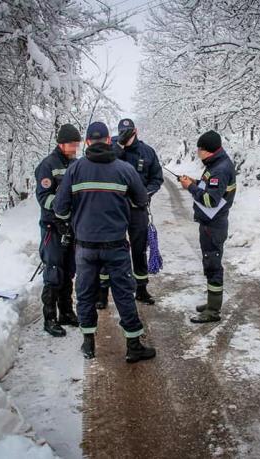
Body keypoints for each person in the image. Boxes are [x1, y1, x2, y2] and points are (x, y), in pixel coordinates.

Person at [54, 121, 156, 362]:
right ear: (110, 140)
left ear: (88, 142)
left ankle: (88, 343)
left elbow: (60, 209)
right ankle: (133, 345)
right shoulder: (125, 169)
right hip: (116, 244)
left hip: (85, 246)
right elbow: (141, 199)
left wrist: (77, 217)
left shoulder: (75, 170)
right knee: (124, 293)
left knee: (85, 293)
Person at [95, 119, 164, 309]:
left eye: (129, 132)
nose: (126, 136)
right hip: (113, 210)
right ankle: (102, 292)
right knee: (107, 248)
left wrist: (144, 194)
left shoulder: (147, 152)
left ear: (136, 131)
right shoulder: (110, 149)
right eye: (122, 132)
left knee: (139, 249)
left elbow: (157, 178)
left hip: (137, 209)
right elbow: (100, 168)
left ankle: (141, 288)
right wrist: (119, 147)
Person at [178, 130, 237, 323]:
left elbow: (211, 200)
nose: (197, 153)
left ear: (208, 150)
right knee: (210, 262)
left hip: (214, 224)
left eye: (199, 149)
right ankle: (212, 303)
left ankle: (213, 311)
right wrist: (194, 182)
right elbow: (210, 187)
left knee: (213, 265)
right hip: (211, 223)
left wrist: (190, 188)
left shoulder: (220, 169)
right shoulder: (216, 164)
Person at [34, 124, 81, 337]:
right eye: (72, 144)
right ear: (61, 143)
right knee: (54, 271)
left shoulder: (77, 164)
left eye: (77, 144)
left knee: (69, 270)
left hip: (71, 227)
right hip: (52, 227)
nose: (75, 148)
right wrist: (60, 211)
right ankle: (50, 317)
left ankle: (66, 312)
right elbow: (44, 197)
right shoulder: (47, 165)